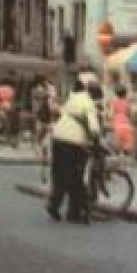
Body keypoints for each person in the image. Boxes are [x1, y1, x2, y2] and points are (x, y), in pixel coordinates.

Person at [46, 74, 100, 224]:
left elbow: (63, 112)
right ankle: (74, 211)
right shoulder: (89, 103)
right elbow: (94, 127)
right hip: (73, 141)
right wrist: (96, 138)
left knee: (59, 174)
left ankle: (54, 204)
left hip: (58, 136)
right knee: (75, 176)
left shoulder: (73, 97)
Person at [109, 85, 136, 155]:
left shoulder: (114, 102)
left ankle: (118, 156)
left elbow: (111, 114)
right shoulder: (127, 103)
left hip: (117, 124)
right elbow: (129, 114)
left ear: (116, 94)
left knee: (117, 146)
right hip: (126, 125)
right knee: (127, 146)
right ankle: (125, 155)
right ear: (125, 94)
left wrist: (111, 121)